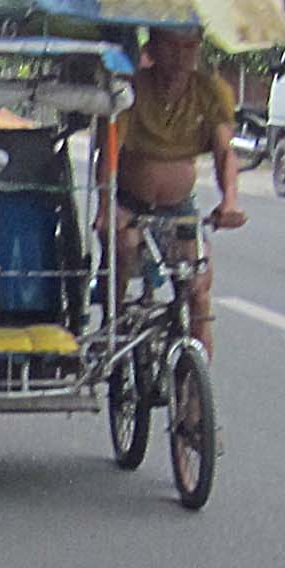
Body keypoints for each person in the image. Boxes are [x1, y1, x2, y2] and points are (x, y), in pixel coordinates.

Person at [98, 26, 247, 355]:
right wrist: (107, 206)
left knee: (200, 285)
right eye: (171, 47)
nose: (181, 57)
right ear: (152, 49)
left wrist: (230, 202)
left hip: (179, 210)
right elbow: (109, 153)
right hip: (131, 206)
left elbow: (225, 152)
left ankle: (193, 395)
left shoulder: (210, 91)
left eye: (189, 47)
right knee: (123, 247)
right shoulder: (131, 90)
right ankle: (113, 323)